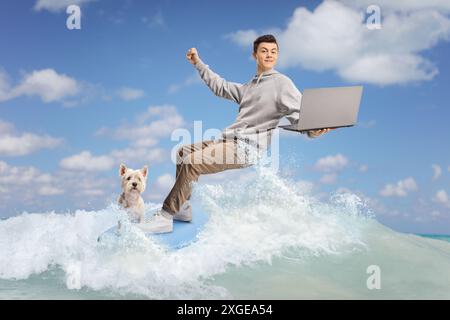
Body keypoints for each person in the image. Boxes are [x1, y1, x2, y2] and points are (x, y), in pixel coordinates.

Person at [141, 34, 335, 234]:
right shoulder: (250, 86)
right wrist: (198, 64)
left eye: (274, 51)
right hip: (228, 141)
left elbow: (301, 114)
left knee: (192, 162)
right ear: (255, 54)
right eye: (264, 51)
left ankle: (165, 216)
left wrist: (313, 130)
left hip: (246, 148)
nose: (269, 55)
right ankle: (182, 207)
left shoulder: (282, 83)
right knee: (183, 152)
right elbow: (221, 86)